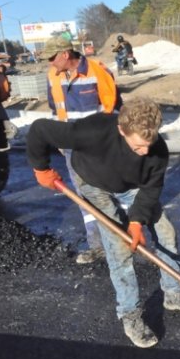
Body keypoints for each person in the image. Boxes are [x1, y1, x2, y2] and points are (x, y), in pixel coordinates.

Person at [26, 97, 180, 348]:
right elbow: (39, 130)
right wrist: (41, 168)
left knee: (166, 232)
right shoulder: (92, 131)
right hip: (93, 182)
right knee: (119, 246)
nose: (145, 151)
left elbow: (151, 189)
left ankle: (173, 293)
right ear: (122, 131)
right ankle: (130, 315)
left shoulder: (157, 150)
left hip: (131, 187)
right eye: (138, 147)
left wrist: (136, 222)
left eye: (149, 144)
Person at [41, 35, 122, 265]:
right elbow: (55, 109)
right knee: (83, 196)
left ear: (65, 54)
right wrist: (58, 137)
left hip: (100, 146)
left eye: (52, 58)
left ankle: (121, 240)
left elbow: (114, 108)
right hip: (71, 148)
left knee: (109, 192)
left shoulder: (98, 71)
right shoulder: (52, 76)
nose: (51, 63)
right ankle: (98, 246)